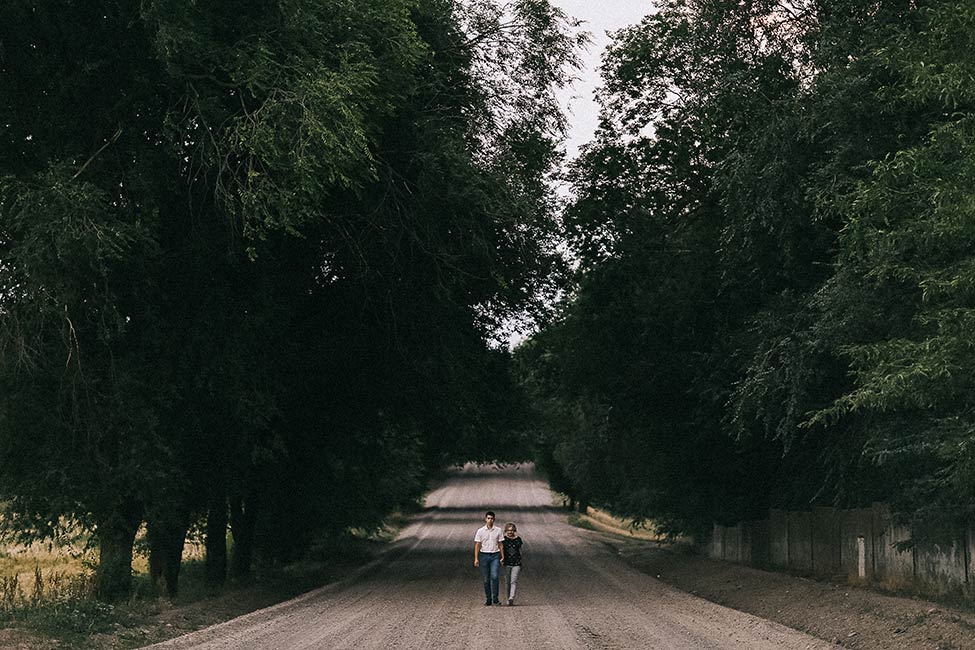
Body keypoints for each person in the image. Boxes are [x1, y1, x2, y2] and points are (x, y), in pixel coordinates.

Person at [473, 511, 504, 605]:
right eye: (488, 518)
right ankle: (488, 599)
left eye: (491, 518)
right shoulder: (480, 531)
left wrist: (503, 556)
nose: (490, 520)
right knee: (486, 579)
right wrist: (476, 558)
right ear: (485, 519)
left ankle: (495, 598)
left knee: (494, 576)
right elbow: (477, 545)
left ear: (494, 519)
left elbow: (500, 544)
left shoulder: (498, 530)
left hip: (495, 555)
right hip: (484, 555)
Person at [501, 522, 523, 606]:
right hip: (507, 563)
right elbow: (501, 550)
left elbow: (520, 551)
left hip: (516, 563)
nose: (510, 532)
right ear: (506, 531)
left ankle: (512, 597)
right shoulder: (503, 540)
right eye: (509, 530)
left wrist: (521, 562)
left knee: (513, 581)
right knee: (507, 582)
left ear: (514, 531)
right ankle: (508, 598)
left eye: (512, 530)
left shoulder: (518, 539)